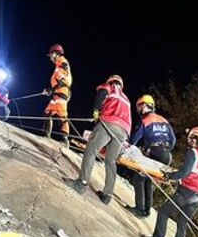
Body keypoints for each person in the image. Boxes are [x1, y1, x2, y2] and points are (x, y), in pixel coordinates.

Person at [143, 127, 198, 237]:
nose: (190, 140)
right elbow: (195, 173)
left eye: (192, 137)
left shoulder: (193, 152)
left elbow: (184, 173)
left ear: (194, 139)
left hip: (187, 192)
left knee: (163, 212)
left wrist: (169, 176)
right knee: (182, 223)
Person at [78, 75, 131, 204]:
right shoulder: (126, 98)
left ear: (111, 81)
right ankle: (107, 195)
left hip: (109, 121)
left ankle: (81, 183)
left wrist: (96, 113)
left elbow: (100, 96)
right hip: (124, 130)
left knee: (91, 150)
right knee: (111, 160)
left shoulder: (110, 87)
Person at [127, 95, 176, 217]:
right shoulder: (163, 120)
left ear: (144, 106)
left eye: (139, 106)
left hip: (155, 153)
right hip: (166, 155)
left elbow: (134, 139)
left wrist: (128, 145)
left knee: (139, 178)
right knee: (148, 180)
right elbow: (173, 140)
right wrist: (165, 149)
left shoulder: (146, 120)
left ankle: (139, 208)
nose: (138, 110)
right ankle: (147, 210)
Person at [44, 44, 72, 141]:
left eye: (51, 55)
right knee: (48, 112)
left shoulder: (62, 61)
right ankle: (46, 135)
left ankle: (65, 139)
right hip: (57, 91)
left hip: (62, 91)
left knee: (61, 114)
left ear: (55, 54)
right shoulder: (58, 64)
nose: (50, 58)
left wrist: (54, 87)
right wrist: (50, 90)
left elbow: (62, 75)